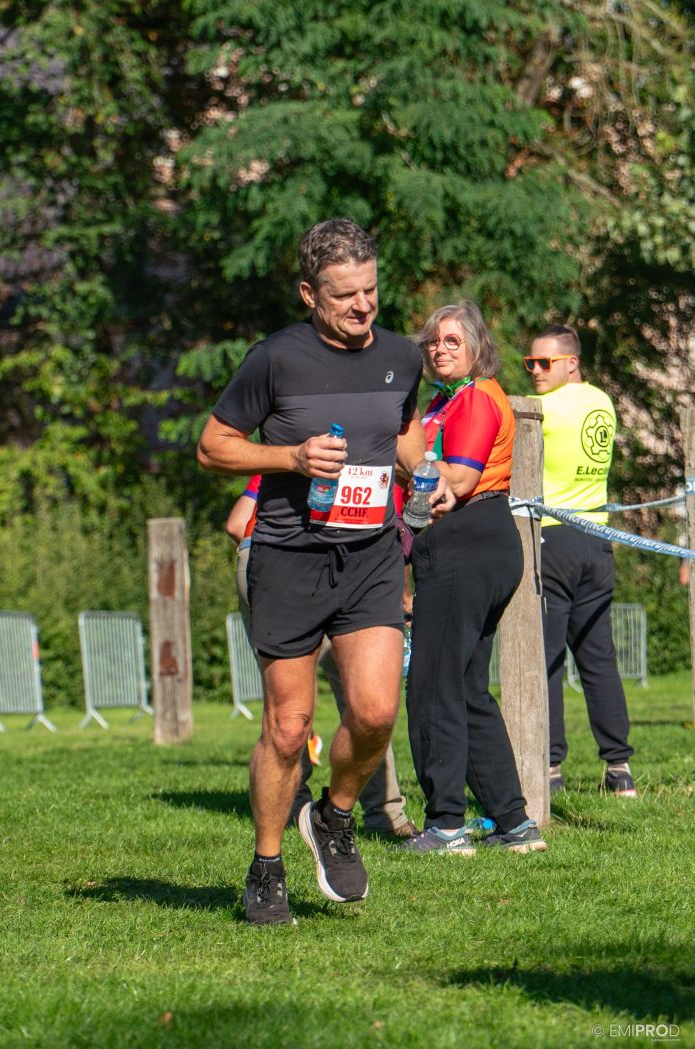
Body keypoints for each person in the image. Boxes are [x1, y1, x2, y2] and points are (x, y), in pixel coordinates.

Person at [198, 218, 452, 924]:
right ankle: (267, 866)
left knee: (374, 713)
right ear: (311, 294)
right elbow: (213, 446)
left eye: (370, 289)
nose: (363, 305)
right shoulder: (274, 360)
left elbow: (404, 429)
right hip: (289, 558)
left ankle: (334, 815)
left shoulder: (401, 356)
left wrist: (424, 470)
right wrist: (290, 458)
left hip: (371, 556)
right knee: (288, 728)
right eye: (345, 295)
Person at [401, 301, 546, 855]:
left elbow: (459, 479)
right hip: (469, 546)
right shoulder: (444, 400)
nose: (439, 349)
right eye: (433, 342)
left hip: (470, 540)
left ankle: (445, 825)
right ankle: (515, 823)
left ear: (477, 347)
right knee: (465, 688)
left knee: (432, 684)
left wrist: (404, 466)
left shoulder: (479, 396)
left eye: (452, 341)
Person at [226, 476, 419, 838]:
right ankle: (385, 815)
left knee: (287, 703)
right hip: (336, 565)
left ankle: (293, 808)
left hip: (264, 558)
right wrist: (404, 597)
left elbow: (237, 524)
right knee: (365, 701)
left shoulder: (288, 456)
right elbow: (389, 539)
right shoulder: (380, 469)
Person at [525, 323, 636, 797]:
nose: (535, 371)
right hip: (597, 540)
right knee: (598, 657)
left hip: (554, 539)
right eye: (530, 363)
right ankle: (619, 768)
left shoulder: (542, 409)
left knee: (546, 657)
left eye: (544, 362)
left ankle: (550, 767)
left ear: (571, 363)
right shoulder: (603, 402)